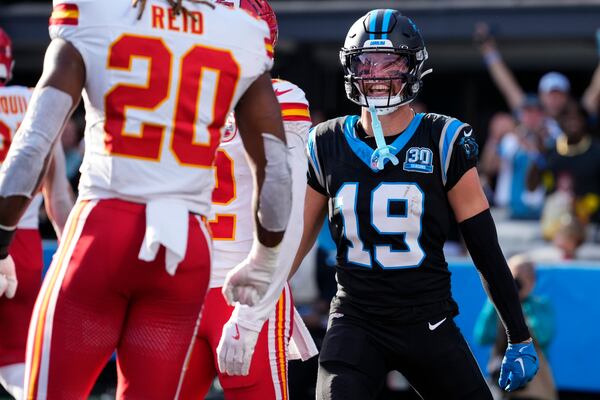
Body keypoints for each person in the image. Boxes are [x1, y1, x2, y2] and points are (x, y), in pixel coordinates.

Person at [0, 0, 293, 398]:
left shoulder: (96, 12)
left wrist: (2, 240)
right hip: (185, 250)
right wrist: (265, 261)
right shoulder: (240, 31)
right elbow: (276, 172)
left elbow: (32, 146)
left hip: (103, 231)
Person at [290, 9, 539, 399]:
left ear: (413, 69)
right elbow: (296, 240)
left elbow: (484, 248)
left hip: (427, 318)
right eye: (366, 63)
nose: (377, 75)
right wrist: (257, 304)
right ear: (350, 68)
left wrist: (518, 334)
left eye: (391, 63)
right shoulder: (325, 142)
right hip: (355, 317)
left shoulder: (443, 140)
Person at [178, 1, 317, 399]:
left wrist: (252, 316)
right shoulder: (182, 91)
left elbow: (288, 215)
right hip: (179, 290)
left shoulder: (280, 97)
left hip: (244, 289)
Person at [0, 27, 73, 399]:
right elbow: (58, 196)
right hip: (20, 241)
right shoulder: (32, 101)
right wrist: (75, 254)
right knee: (18, 365)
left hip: (10, 239)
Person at [474, 255, 557, 400]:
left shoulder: (541, 305)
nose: (517, 282)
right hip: (503, 384)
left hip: (535, 386)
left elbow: (543, 336)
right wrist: (495, 299)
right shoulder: (497, 308)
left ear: (533, 281)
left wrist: (522, 305)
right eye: (513, 276)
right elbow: (482, 337)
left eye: (525, 276)